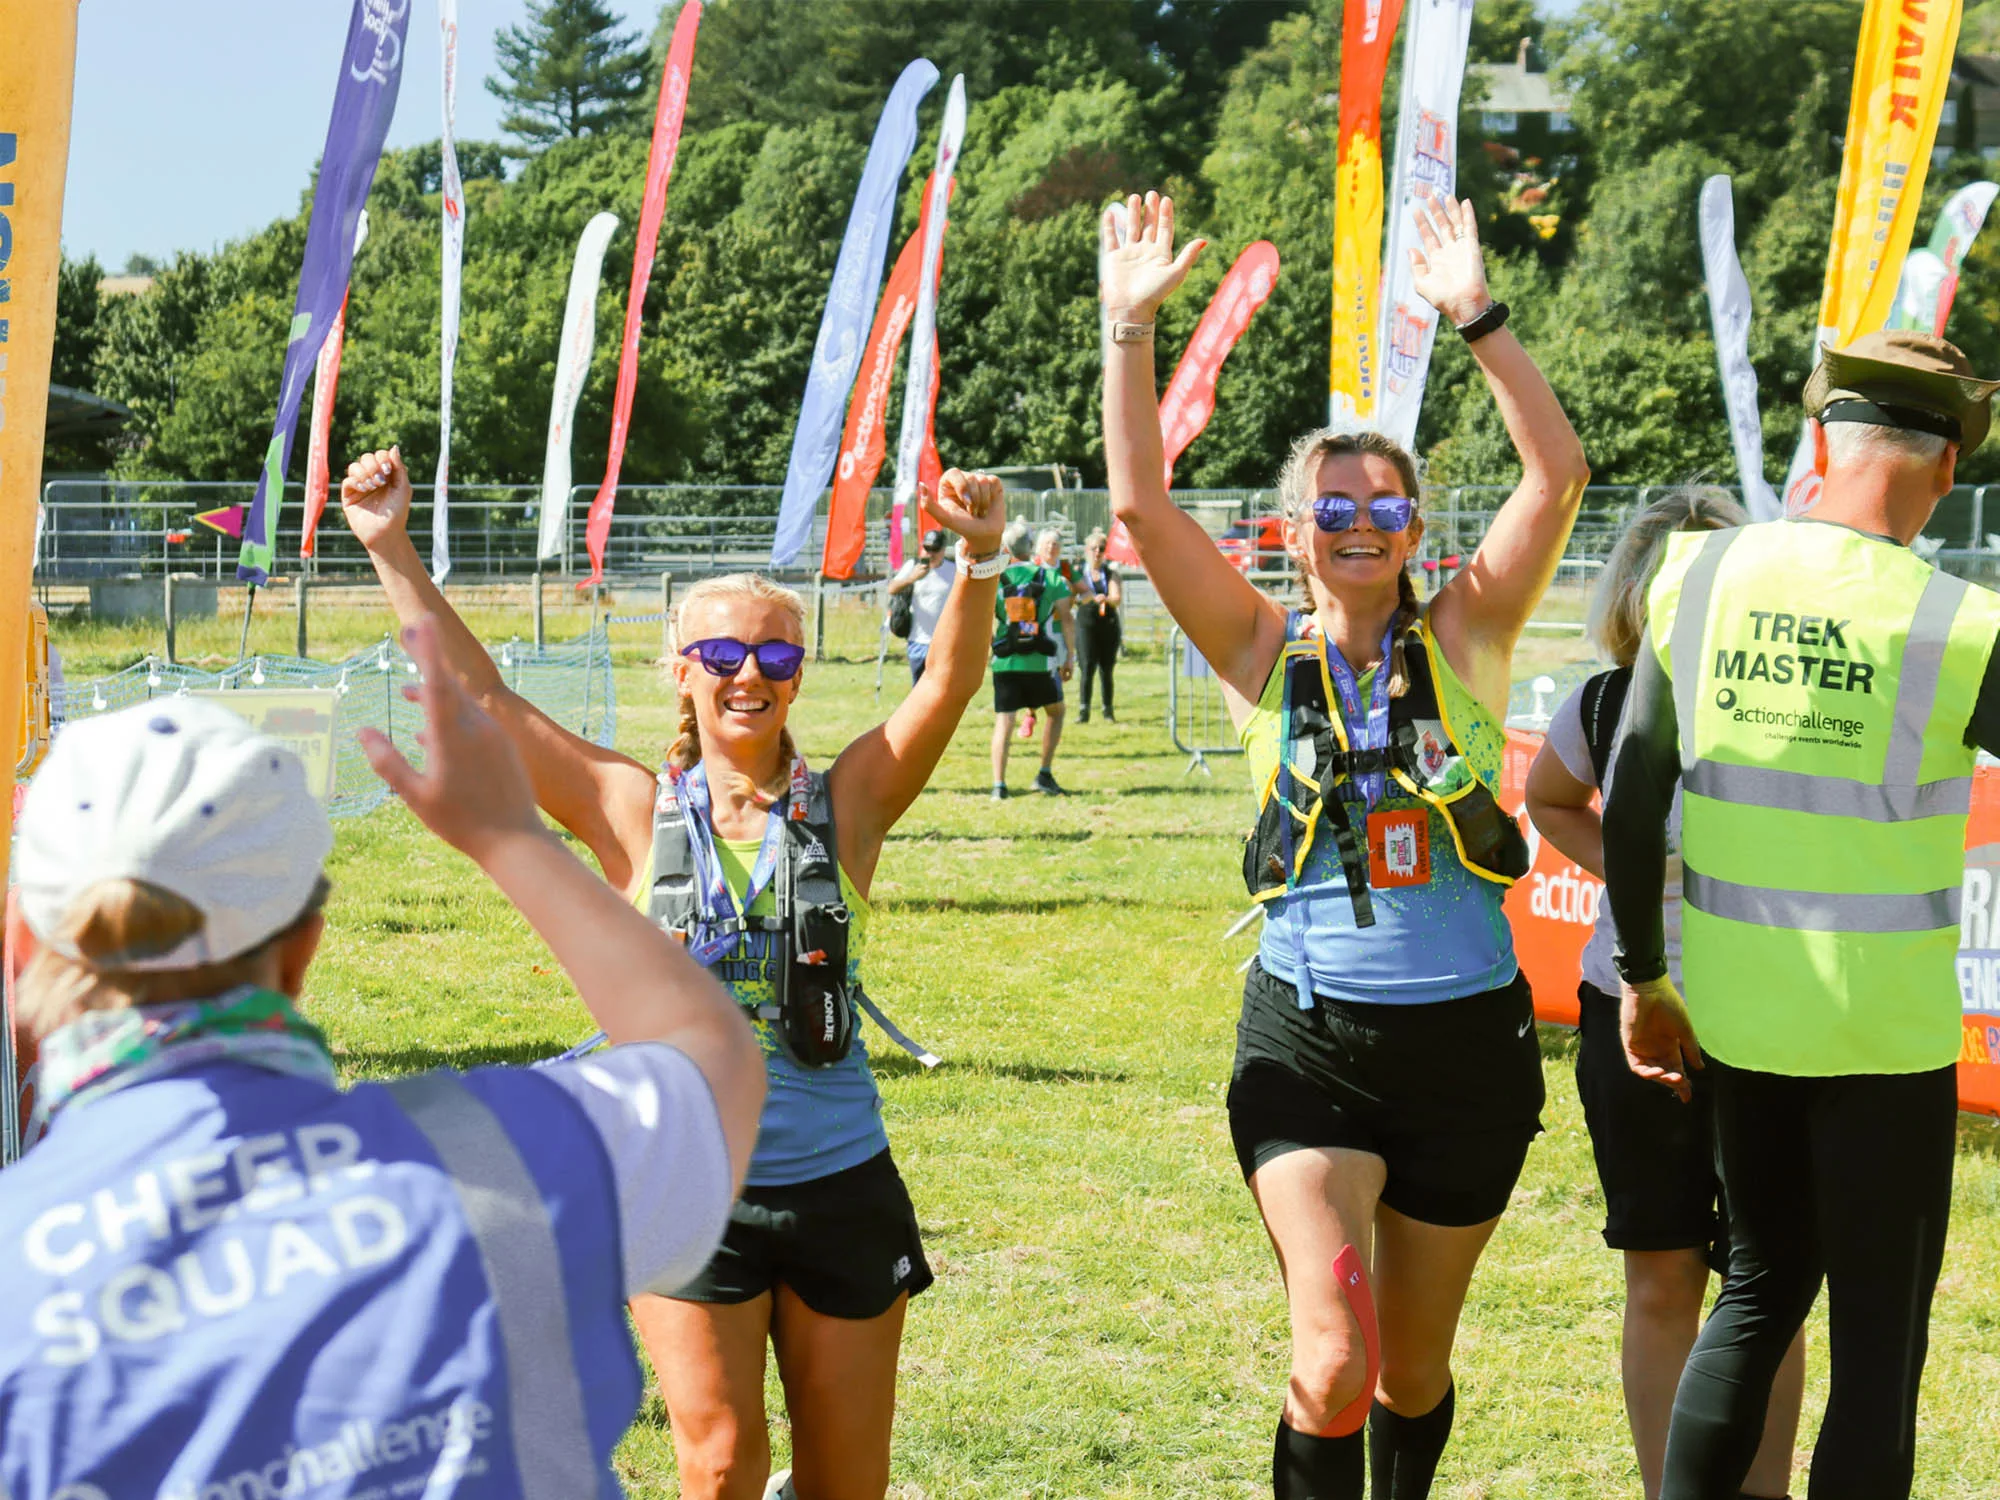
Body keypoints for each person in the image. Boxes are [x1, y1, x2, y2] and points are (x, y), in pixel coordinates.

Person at [339, 445, 1007, 1500]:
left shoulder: (848, 805)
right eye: (725, 653)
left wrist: (977, 560)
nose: (752, 675)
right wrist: (390, 548)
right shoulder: (627, 806)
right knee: (721, 1460)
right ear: (683, 668)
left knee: (847, 1483)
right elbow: (482, 703)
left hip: (840, 1179)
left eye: (778, 659)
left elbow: (951, 680)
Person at [0, 620, 766, 1498]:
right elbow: (714, 1062)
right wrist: (510, 838)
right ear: (302, 949)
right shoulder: (509, 1156)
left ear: (20, 941)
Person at [1101, 186, 1589, 1499]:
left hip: (1470, 1049)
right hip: (1308, 1045)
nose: (1361, 523)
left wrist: (1478, 316)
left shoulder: (1470, 635)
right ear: (1294, 531)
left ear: (1417, 530)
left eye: (1386, 505)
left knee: (1409, 1372)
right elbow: (1143, 512)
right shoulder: (1260, 652)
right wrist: (1129, 331)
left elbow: (1557, 476)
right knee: (1332, 1359)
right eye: (1333, 506)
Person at [1604, 330, 2000, 1500]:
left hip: (1737, 1021)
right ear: (1942, 473)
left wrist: (1640, 977)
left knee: (1758, 1296)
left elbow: (1632, 797)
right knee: (1877, 1348)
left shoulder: (1699, 574)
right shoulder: (1959, 624)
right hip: (1885, 1039)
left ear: (1820, 444)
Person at [1524, 489, 1803, 1500]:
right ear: (1633, 597)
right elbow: (1545, 801)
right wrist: (1629, 866)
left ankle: (1762, 1492)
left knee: (1766, 1287)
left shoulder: (1781, 704)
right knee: (1660, 1276)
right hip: (1629, 1017)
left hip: (1771, 1019)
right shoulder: (1600, 703)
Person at [991, 518, 1076, 798]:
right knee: (1057, 711)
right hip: (1039, 661)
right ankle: (1044, 773)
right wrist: (1069, 658)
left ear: (1006, 547)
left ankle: (999, 786)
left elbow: (983, 621)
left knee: (1004, 722)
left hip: (1004, 661)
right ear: (1032, 547)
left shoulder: (996, 580)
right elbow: (1066, 619)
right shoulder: (1051, 578)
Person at [887, 528, 956, 684]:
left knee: (942, 689)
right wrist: (912, 578)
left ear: (944, 549)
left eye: (935, 550)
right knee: (918, 690)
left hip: (944, 642)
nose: (930, 554)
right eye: (927, 548)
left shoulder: (954, 570)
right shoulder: (914, 565)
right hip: (918, 641)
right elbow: (892, 588)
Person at [1073, 527, 1123, 722]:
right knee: (1086, 665)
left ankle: (1107, 710)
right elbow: (1072, 596)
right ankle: (1084, 710)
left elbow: (1116, 597)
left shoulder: (1111, 575)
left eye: (1101, 548)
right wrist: (1083, 598)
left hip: (1108, 624)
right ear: (1087, 550)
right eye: (1094, 548)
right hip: (1086, 624)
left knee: (1107, 668)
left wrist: (1106, 599)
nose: (1097, 552)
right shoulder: (1078, 573)